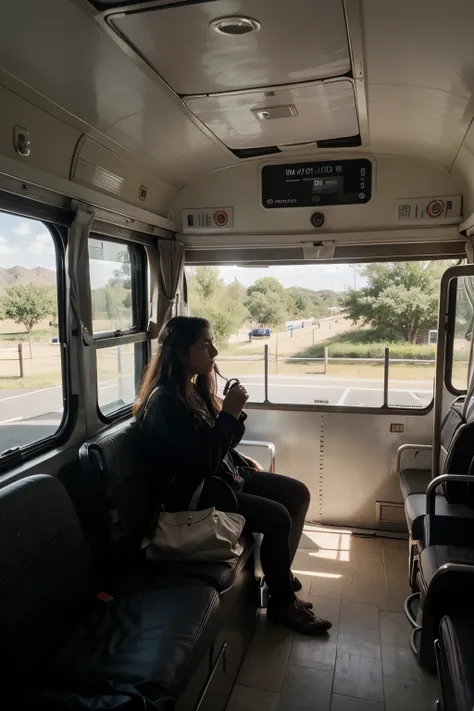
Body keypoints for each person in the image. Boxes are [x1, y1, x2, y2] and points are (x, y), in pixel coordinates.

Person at [133, 316, 331, 636]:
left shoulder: (192, 391)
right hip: (194, 496)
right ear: (183, 352)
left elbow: (216, 446)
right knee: (278, 517)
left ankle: (278, 574)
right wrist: (230, 413)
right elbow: (202, 462)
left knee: (298, 494)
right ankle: (282, 603)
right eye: (205, 344)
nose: (213, 350)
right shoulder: (165, 404)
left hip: (220, 476)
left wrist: (238, 454)